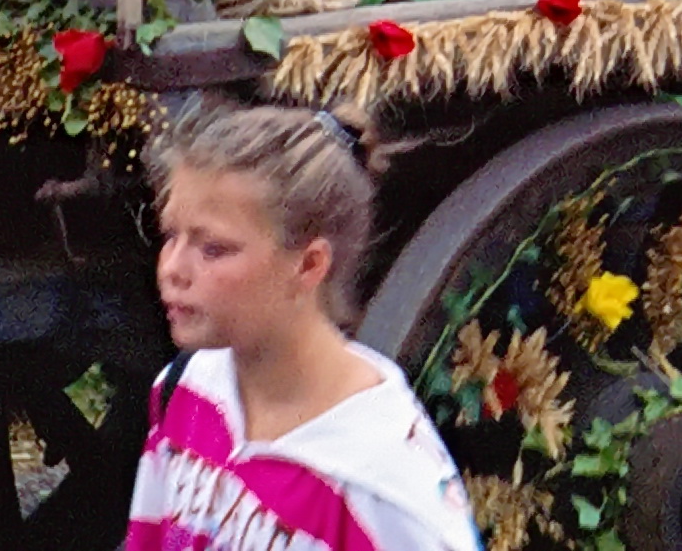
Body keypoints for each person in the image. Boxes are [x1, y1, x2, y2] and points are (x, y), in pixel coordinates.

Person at [132, 99, 477, 551]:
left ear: (309, 264)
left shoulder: (380, 492)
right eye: (170, 235)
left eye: (213, 249)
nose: (173, 268)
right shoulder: (185, 390)